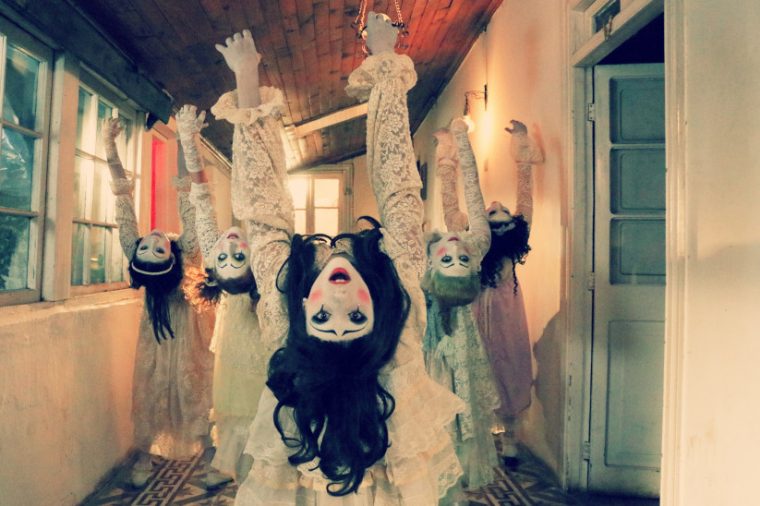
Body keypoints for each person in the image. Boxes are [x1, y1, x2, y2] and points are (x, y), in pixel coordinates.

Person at [211, 17, 464, 505]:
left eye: (326, 317)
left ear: (306, 312)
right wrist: (385, 63)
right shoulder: (399, 319)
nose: (340, 297)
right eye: (355, 317)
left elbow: (263, 216)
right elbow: (400, 193)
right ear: (376, 319)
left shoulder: (286, 319)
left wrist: (246, 80)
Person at [103, 118, 214, 487]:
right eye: (155, 248)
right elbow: (190, 203)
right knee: (154, 388)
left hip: (186, 333)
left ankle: (208, 455)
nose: (151, 238)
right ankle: (145, 455)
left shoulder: (155, 249)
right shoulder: (187, 249)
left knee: (192, 386)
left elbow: (123, 204)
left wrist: (110, 149)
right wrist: (186, 140)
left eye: (147, 246)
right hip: (162, 333)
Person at [176, 104, 275, 487]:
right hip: (239, 351)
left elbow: (202, 203)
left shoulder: (253, 256)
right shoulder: (258, 257)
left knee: (259, 421)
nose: (230, 246)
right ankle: (245, 479)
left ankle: (254, 481)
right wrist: (190, 142)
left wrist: (190, 144)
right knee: (241, 420)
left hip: (254, 351)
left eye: (227, 256)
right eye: (233, 256)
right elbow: (204, 205)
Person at [439, 118, 543, 461]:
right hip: (474, 310)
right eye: (492, 208)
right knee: (477, 367)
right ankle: (482, 438)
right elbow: (451, 204)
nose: (496, 205)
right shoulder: (473, 238)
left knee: (509, 367)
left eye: (500, 210)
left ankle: (510, 439)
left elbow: (525, 196)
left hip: (505, 313)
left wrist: (522, 146)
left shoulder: (511, 239)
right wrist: (447, 153)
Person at [423, 120, 500, 503]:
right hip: (449, 347)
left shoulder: (428, 250)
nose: (455, 248)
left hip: (440, 348)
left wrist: (448, 151)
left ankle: (444, 490)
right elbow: (471, 197)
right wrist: (459, 145)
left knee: (447, 420)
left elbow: (457, 206)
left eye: (453, 258)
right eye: (456, 259)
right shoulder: (476, 243)